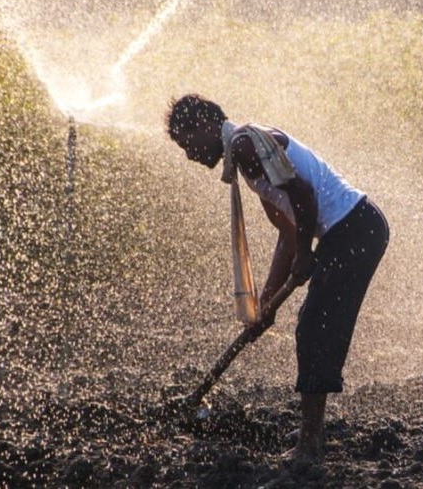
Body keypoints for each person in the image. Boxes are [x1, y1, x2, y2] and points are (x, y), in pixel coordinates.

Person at [166, 94, 389, 463]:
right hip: (353, 230)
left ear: (204, 126)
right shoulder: (247, 149)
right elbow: (287, 231)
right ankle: (310, 435)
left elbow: (303, 195)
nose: (189, 154)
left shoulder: (245, 145)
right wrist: (265, 304)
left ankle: (310, 446)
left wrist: (305, 252)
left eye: (186, 142)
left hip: (353, 230)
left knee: (315, 328)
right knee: (314, 326)